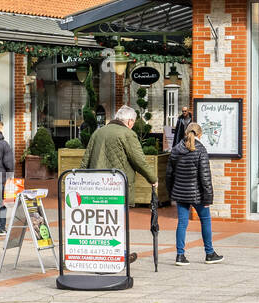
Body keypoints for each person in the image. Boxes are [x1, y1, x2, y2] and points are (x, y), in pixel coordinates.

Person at [84, 105, 157, 264]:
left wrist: (79, 183)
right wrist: (152, 178)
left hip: (95, 187)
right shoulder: (128, 134)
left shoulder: (98, 132)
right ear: (130, 121)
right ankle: (118, 255)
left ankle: (99, 254)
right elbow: (139, 161)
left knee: (99, 222)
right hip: (116, 188)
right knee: (116, 222)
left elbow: (86, 160)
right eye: (134, 122)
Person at [165, 121, 223, 265]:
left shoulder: (176, 149)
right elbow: (205, 177)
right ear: (200, 134)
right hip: (197, 194)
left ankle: (180, 255)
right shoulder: (200, 150)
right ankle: (209, 253)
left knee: (182, 223)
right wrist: (208, 197)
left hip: (180, 193)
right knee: (205, 221)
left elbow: (169, 174)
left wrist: (172, 192)